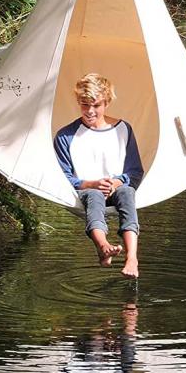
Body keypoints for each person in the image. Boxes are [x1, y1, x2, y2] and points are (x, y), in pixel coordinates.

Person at [54, 73, 143, 278]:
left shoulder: (123, 129)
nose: (90, 111)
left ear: (107, 102)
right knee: (94, 196)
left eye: (96, 105)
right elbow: (62, 176)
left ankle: (132, 257)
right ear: (78, 102)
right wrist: (90, 183)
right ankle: (103, 247)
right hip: (84, 191)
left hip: (117, 189)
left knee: (127, 193)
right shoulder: (66, 135)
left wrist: (117, 181)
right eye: (85, 105)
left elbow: (135, 171)